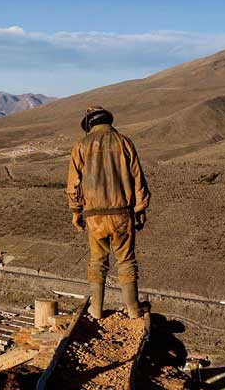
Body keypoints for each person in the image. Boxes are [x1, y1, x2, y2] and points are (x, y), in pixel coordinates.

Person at [67, 106, 150, 319]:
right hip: (123, 214)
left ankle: (95, 311)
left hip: (94, 216)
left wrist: (76, 211)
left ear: (89, 125)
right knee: (126, 261)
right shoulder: (124, 142)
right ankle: (133, 309)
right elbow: (137, 178)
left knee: (97, 261)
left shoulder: (81, 145)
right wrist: (140, 209)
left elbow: (73, 184)